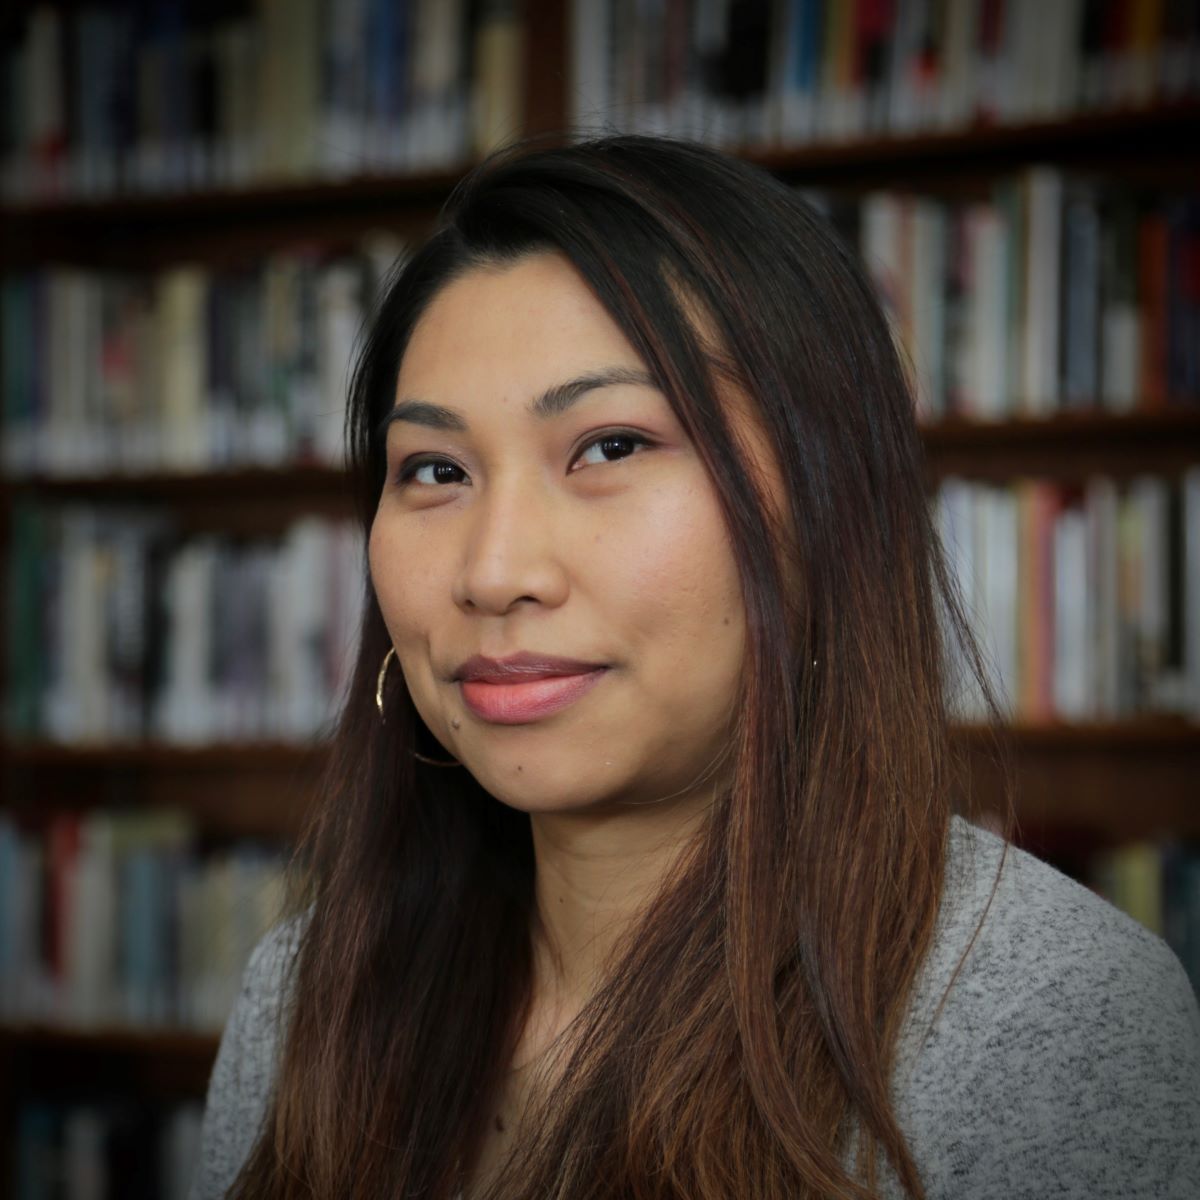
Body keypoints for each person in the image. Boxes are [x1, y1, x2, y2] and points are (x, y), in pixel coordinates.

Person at [188, 134, 1199, 1200]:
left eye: (611, 447)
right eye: (435, 469)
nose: (492, 573)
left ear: (825, 505)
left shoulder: (1046, 1020)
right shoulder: (304, 997)